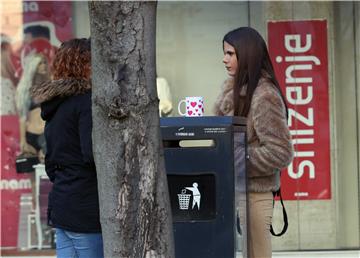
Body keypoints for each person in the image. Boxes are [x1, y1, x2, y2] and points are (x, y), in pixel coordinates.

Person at [213, 27, 294, 258]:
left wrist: (234, 159)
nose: (224, 59)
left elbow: (280, 152)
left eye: (230, 53)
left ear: (246, 54)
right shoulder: (234, 92)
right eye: (224, 53)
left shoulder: (263, 95)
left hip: (255, 195)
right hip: (233, 193)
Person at [31, 38, 103, 258]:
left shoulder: (56, 105)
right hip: (86, 207)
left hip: (63, 203)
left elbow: (51, 161)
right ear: (86, 65)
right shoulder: (86, 103)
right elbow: (92, 154)